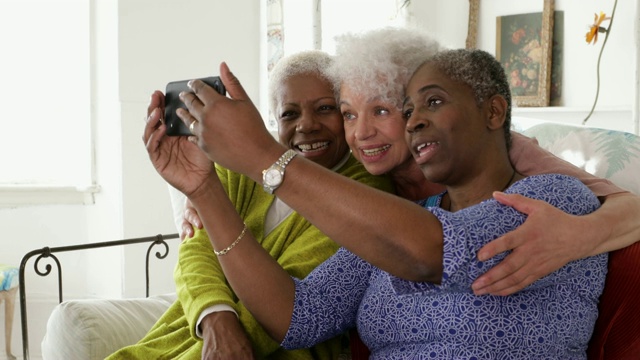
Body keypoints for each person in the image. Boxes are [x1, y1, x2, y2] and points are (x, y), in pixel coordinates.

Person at [157, 48, 607, 358]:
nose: (415, 122)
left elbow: (436, 254)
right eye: (408, 111)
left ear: (493, 112)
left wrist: (262, 155)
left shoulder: (555, 197)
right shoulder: (410, 219)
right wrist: (204, 191)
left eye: (433, 102)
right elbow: (293, 317)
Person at [107, 50, 393, 359]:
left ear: (345, 113)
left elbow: (288, 300)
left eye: (325, 109)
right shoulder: (237, 166)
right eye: (289, 113)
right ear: (273, 118)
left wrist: (225, 336)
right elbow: (196, 250)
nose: (306, 125)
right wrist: (215, 318)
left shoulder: (365, 188)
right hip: (193, 330)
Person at [326, 27, 639, 296]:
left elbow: (630, 208)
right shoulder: (363, 176)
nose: (361, 133)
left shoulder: (506, 149)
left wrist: (574, 237)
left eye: (381, 110)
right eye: (349, 114)